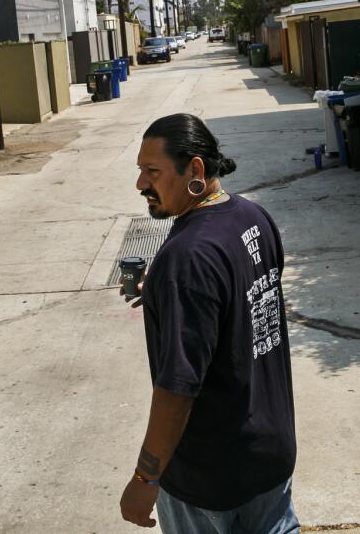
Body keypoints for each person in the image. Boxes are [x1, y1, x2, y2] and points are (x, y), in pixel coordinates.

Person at [119, 113, 298, 533]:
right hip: (271, 455)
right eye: (141, 171)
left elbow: (177, 387)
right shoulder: (254, 218)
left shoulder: (186, 258)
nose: (141, 184)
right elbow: (240, 297)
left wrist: (146, 478)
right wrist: (168, 291)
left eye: (152, 171)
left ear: (195, 170)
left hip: (211, 477)